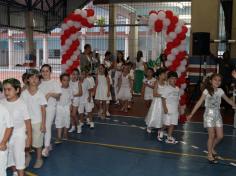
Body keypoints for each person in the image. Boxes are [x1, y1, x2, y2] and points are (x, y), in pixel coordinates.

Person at [187, 73, 236, 163]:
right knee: (212, 135)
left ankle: (212, 148)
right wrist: (191, 114)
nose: (217, 82)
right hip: (208, 115)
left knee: (220, 136)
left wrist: (234, 104)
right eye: (215, 80)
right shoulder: (206, 91)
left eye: (219, 80)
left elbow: (228, 100)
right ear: (210, 81)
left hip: (217, 115)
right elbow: (199, 102)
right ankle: (209, 154)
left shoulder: (220, 91)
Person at [1, 78, 32, 176]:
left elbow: (28, 122)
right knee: (9, 156)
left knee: (19, 156)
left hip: (19, 134)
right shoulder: (2, 103)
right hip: (5, 134)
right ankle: (14, 171)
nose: (6, 92)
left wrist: (29, 139)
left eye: (9, 89)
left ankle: (20, 173)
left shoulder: (22, 104)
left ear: (17, 90)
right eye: (5, 89)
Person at [21, 69, 47, 168]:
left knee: (38, 142)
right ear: (27, 80)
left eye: (36, 77)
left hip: (37, 122)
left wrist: (43, 124)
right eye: (31, 77)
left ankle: (39, 158)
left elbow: (43, 110)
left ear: (39, 80)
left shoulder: (40, 94)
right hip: (26, 122)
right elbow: (22, 108)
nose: (34, 79)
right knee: (26, 141)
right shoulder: (24, 94)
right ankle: (27, 156)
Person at [39, 64, 61, 157]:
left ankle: (46, 147)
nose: (45, 73)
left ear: (50, 72)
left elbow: (58, 95)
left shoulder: (54, 83)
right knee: (41, 126)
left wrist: (50, 94)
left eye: (47, 71)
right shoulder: (39, 83)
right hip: (39, 109)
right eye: (43, 71)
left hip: (50, 108)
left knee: (47, 126)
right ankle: (45, 144)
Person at [145, 68, 167, 134]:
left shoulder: (166, 83)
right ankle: (149, 126)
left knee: (162, 114)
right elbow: (154, 94)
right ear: (159, 75)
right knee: (154, 113)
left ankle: (160, 126)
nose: (165, 75)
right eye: (164, 74)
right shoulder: (156, 82)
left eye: (165, 74)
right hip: (157, 101)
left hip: (163, 101)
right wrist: (162, 95)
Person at [162, 71, 180, 144]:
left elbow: (178, 99)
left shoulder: (177, 88)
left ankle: (169, 137)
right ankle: (161, 130)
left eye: (175, 78)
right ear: (168, 79)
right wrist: (165, 108)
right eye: (172, 78)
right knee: (167, 124)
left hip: (175, 109)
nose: (174, 80)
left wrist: (179, 108)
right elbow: (163, 99)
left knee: (173, 123)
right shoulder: (167, 88)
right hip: (168, 109)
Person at [55, 73, 73, 143]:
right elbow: (56, 98)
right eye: (64, 80)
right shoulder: (58, 88)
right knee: (59, 121)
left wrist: (70, 107)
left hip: (67, 107)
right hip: (59, 107)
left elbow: (71, 99)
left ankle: (65, 133)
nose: (66, 82)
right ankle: (59, 136)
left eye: (67, 80)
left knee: (67, 121)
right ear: (61, 81)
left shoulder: (70, 89)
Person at [0, 103, 13, 176]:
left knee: (1, 171)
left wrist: (3, 142)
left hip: (1, 147)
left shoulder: (3, 109)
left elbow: (9, 126)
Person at [69, 69, 80, 133]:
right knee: (70, 114)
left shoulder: (78, 83)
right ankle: (73, 126)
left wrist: (73, 96)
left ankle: (78, 126)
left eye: (76, 74)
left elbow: (80, 93)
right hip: (69, 100)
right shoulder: (69, 82)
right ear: (71, 75)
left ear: (78, 75)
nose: (75, 75)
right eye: (73, 74)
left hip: (76, 100)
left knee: (74, 114)